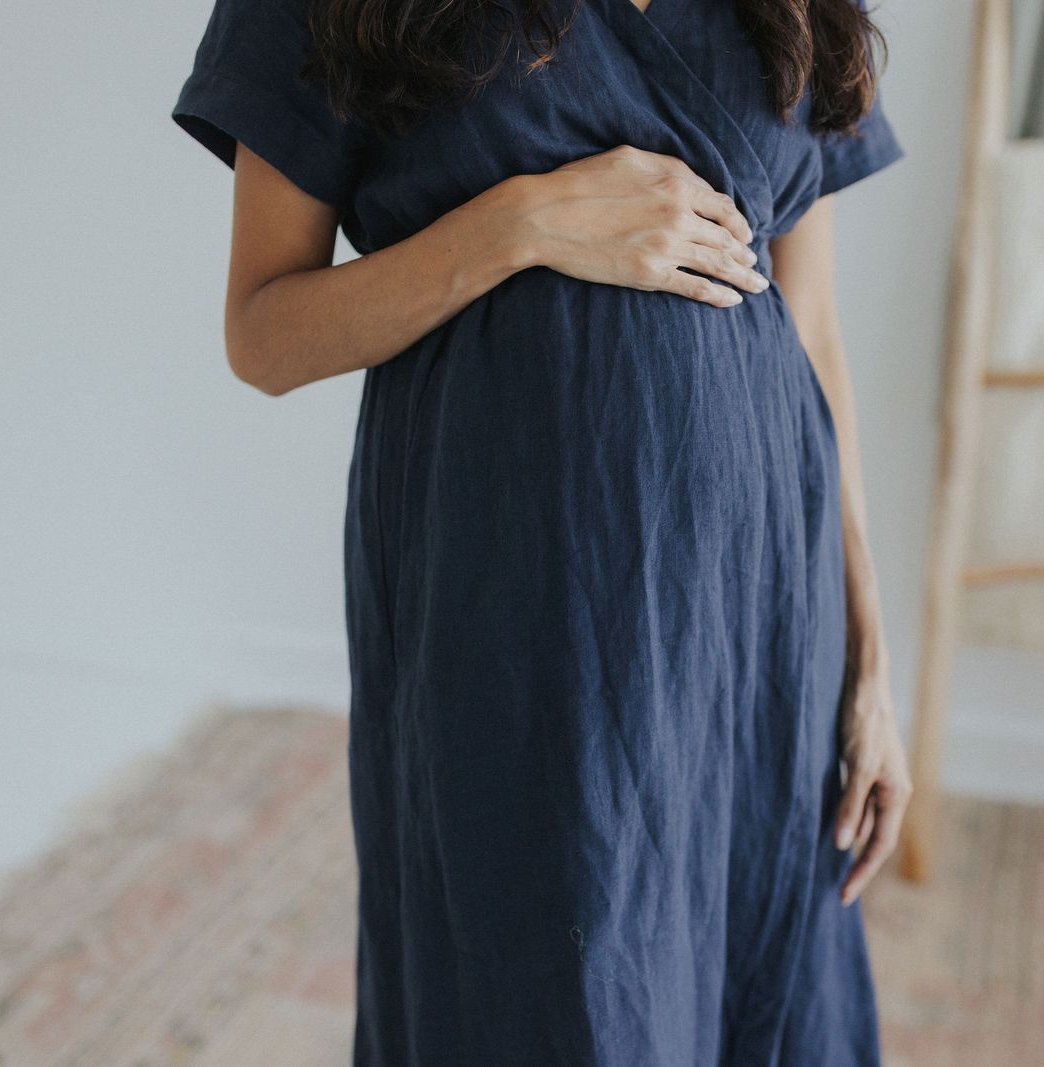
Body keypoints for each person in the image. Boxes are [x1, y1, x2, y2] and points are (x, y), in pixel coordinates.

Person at [170, 0, 910, 1059]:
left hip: (758, 618)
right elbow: (263, 332)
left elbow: (813, 330)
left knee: (760, 979)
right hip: (515, 596)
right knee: (546, 986)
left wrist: (872, 656)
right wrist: (515, 224)